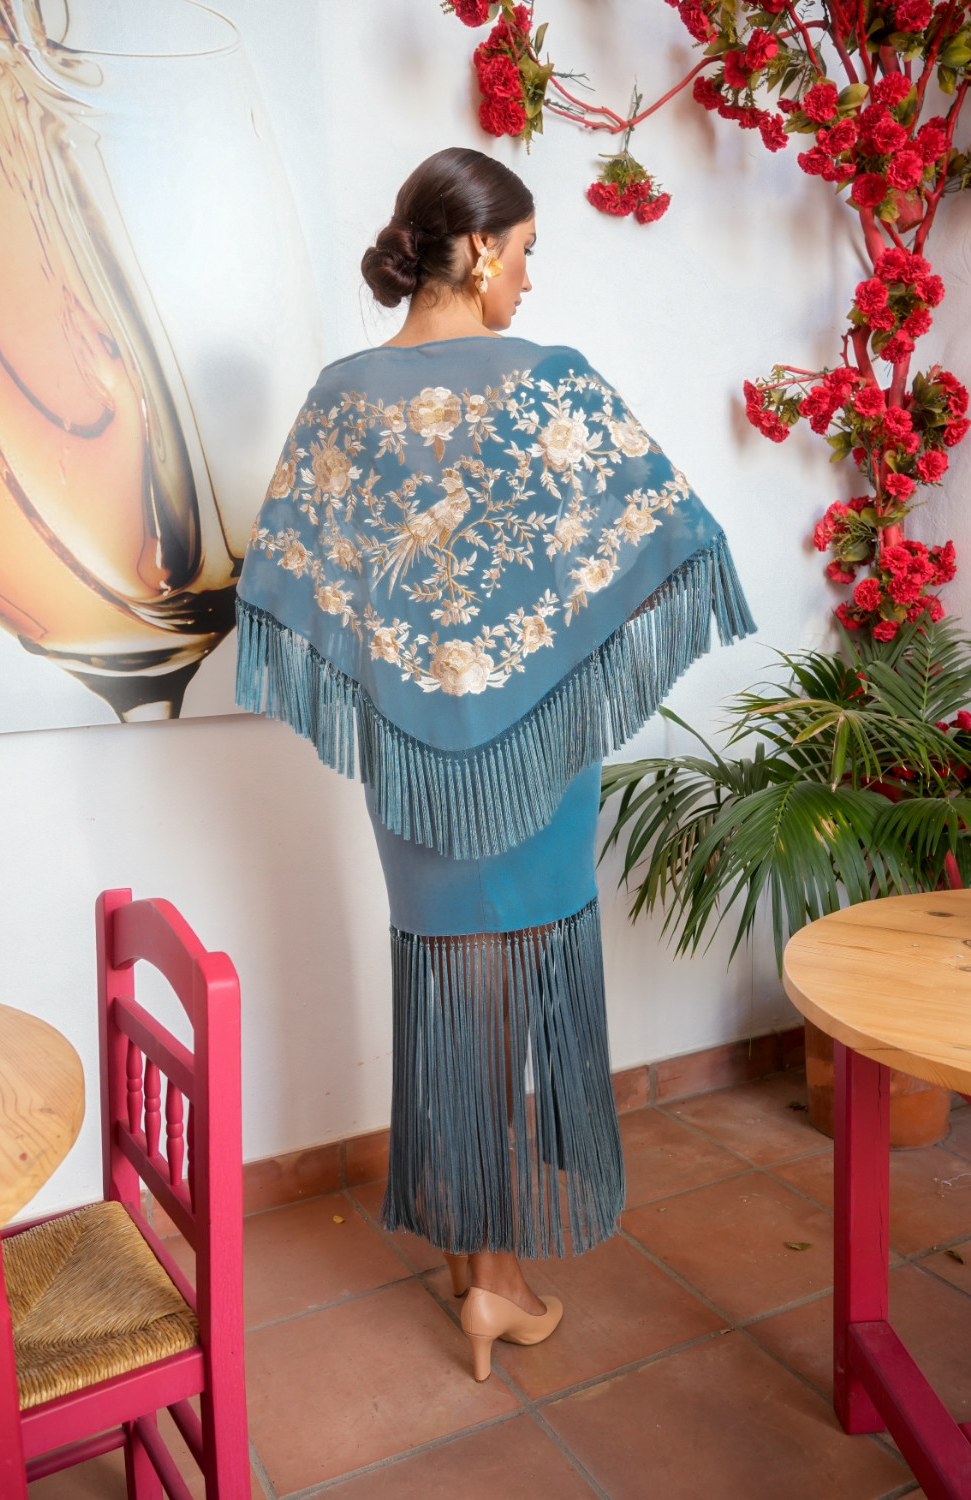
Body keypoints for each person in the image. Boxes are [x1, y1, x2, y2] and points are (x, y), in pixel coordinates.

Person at [235, 146, 754, 1381]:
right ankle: (497, 1281)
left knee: (452, 995)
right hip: (538, 757)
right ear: (475, 249)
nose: (529, 279)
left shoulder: (340, 398)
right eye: (523, 252)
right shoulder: (551, 384)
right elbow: (670, 538)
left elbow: (291, 584)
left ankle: (482, 1271)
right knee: (512, 998)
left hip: (411, 771)